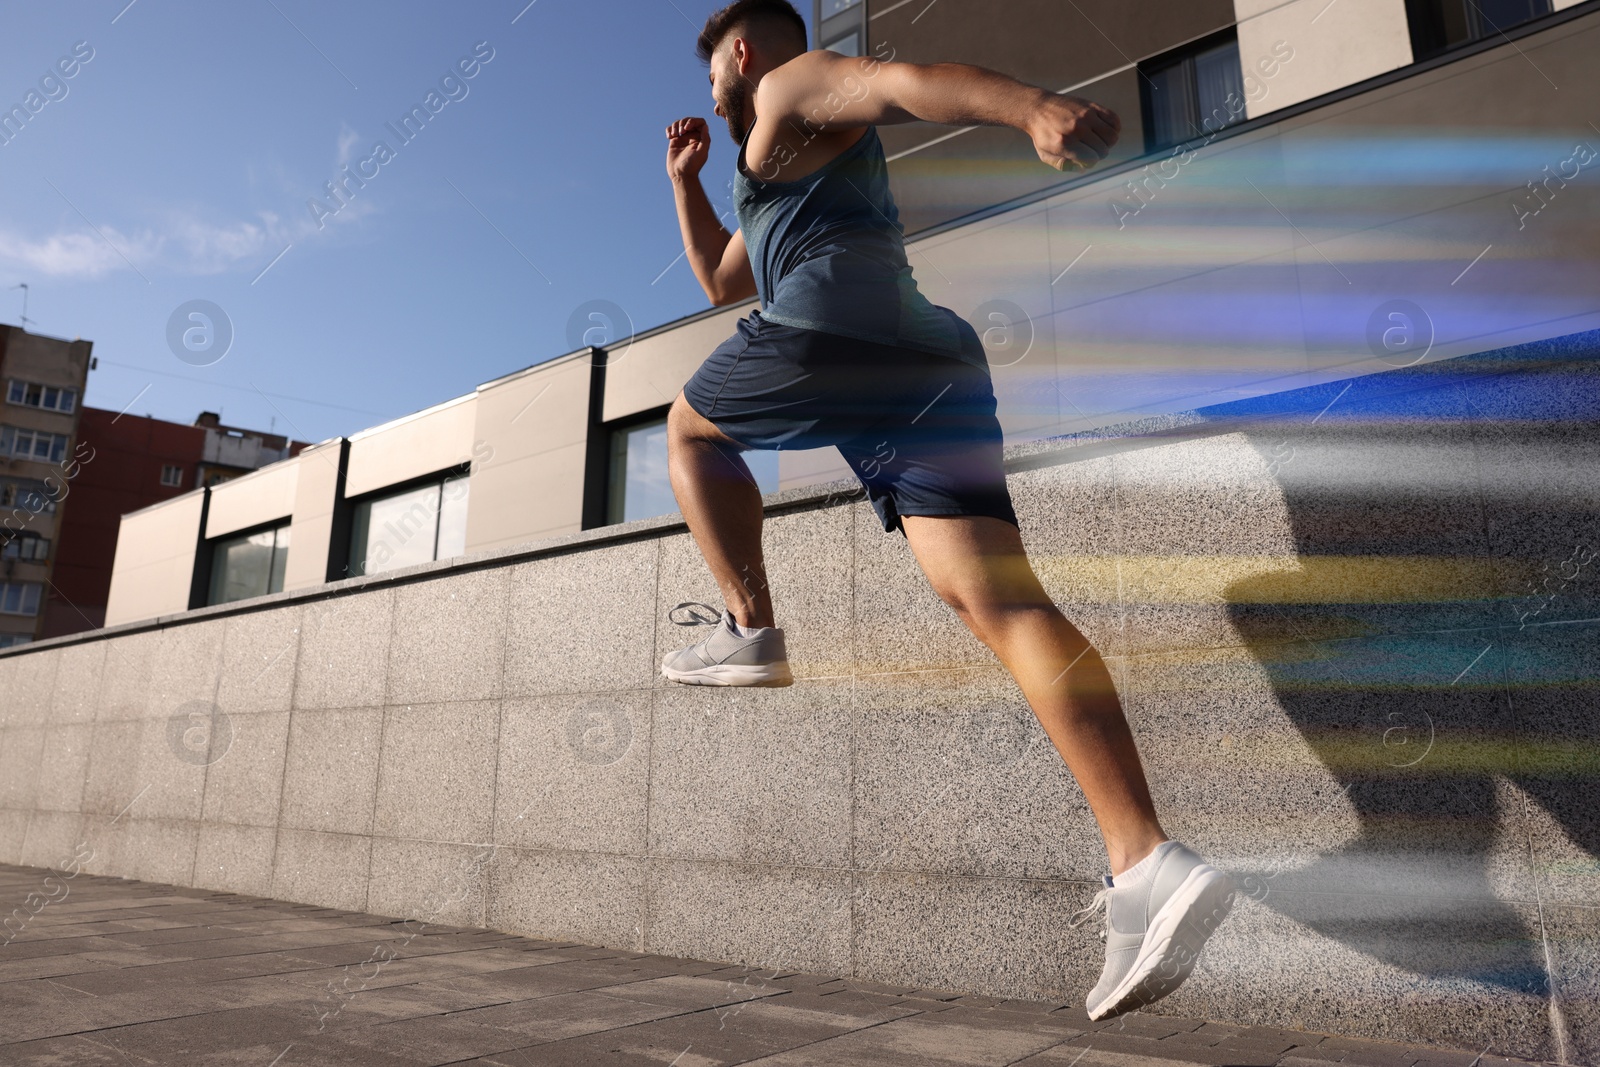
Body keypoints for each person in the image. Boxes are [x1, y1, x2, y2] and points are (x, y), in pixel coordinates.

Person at [659, 0, 1233, 1020]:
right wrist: (688, 185)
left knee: (689, 434)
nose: (715, 92)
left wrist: (1030, 109)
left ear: (740, 54)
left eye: (715, 75)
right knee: (991, 600)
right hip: (926, 362)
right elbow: (717, 274)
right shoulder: (777, 160)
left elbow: (904, 84)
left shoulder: (791, 86)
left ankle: (749, 626)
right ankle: (1144, 859)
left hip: (833, 336)